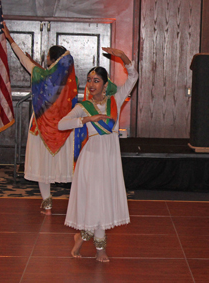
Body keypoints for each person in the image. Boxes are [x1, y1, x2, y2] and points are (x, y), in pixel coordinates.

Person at [58, 47, 138, 262]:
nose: (91, 85)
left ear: (105, 83)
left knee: (104, 199)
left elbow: (134, 76)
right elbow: (61, 123)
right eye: (89, 80)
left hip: (110, 157)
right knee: (94, 199)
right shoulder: (84, 107)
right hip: (92, 157)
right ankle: (99, 248)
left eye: (96, 81)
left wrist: (122, 57)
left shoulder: (116, 99)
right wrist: (85, 120)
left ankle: (82, 236)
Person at [2, 23, 78, 215]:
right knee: (66, 165)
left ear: (52, 60)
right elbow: (47, 74)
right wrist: (34, 63)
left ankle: (47, 203)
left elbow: (34, 68)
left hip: (41, 128)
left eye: (47, 59)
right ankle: (78, 203)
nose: (45, 61)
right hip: (63, 128)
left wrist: (10, 39)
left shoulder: (40, 75)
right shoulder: (68, 79)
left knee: (42, 164)